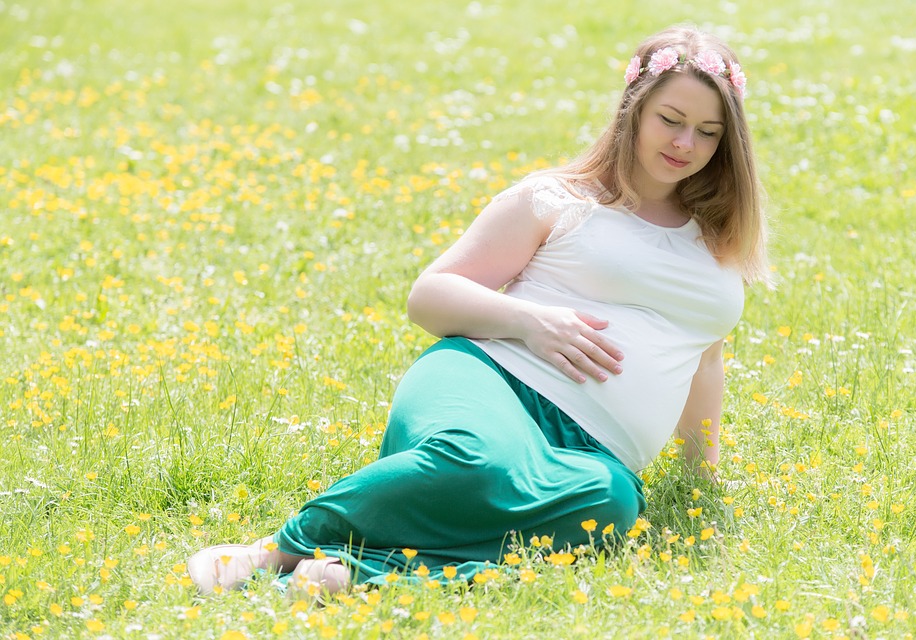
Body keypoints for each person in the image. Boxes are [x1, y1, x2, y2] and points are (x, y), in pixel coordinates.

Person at [187, 24, 769, 599]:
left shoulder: (718, 240)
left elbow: (705, 356)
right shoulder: (558, 198)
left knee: (612, 506)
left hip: (597, 453)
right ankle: (272, 553)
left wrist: (701, 479)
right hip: (495, 380)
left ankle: (349, 575)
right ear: (634, 110)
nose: (685, 144)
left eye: (708, 132)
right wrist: (531, 322)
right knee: (476, 460)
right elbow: (430, 295)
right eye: (671, 120)